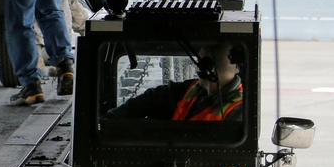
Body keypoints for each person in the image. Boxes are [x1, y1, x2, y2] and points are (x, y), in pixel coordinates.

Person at [103, 44, 244, 121]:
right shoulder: (193, 89)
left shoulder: (238, 111)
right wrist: (107, 121)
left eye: (199, 63)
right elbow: (151, 98)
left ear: (207, 68)